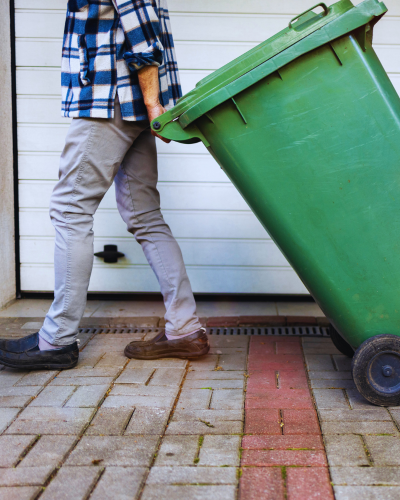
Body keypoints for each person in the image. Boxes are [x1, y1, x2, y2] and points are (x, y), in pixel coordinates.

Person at [0, 0, 209, 370]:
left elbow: (143, 34)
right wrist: (152, 105)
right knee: (145, 216)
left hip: (108, 99)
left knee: (70, 210)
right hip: (132, 103)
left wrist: (153, 102)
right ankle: (184, 328)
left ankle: (57, 340)